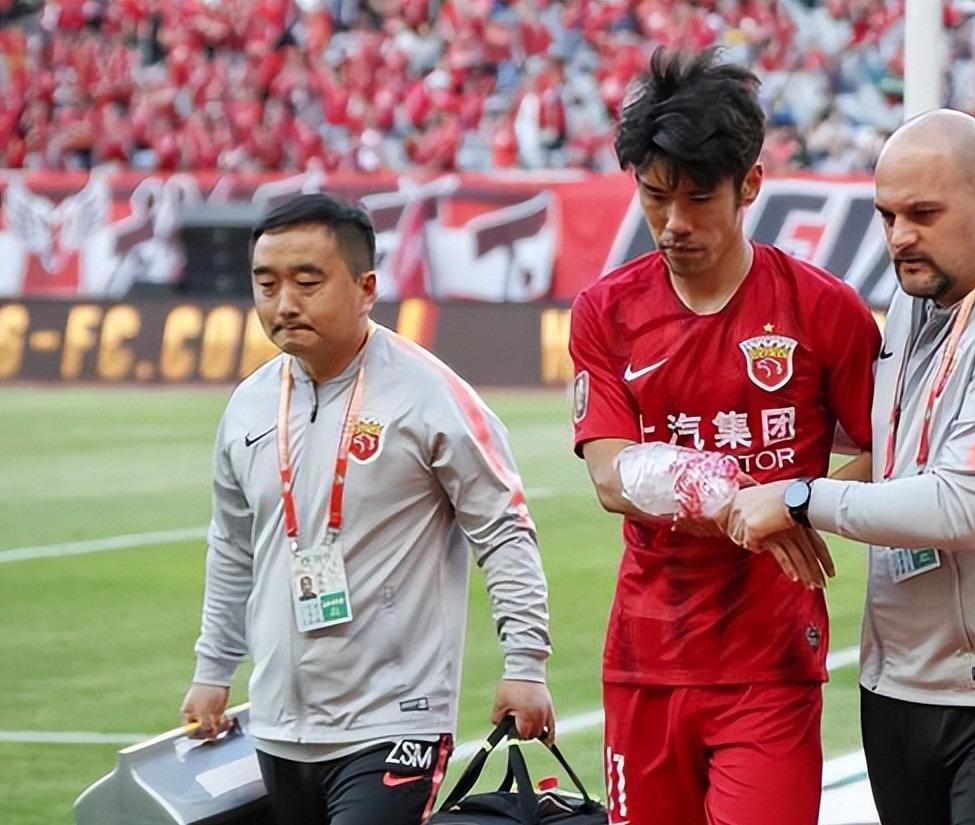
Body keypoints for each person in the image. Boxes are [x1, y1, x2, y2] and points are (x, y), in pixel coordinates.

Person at [727, 109, 975, 825]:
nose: (899, 236)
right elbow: (892, 450)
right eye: (888, 216)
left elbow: (958, 506)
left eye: (923, 214)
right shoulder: (915, 304)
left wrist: (801, 498)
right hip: (901, 685)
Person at [568, 48, 880, 825]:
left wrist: (800, 501)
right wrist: (734, 494)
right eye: (654, 196)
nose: (674, 223)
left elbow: (890, 450)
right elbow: (609, 476)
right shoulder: (606, 312)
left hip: (770, 663)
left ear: (749, 185)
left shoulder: (823, 309)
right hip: (645, 658)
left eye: (698, 197)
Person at [181, 193, 554, 825]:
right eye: (266, 284)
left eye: (308, 282)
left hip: (396, 719)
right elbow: (233, 548)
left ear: (366, 288)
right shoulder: (248, 405)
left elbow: (503, 529)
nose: (284, 303)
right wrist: (214, 669)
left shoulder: (429, 394)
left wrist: (525, 663)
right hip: (277, 724)